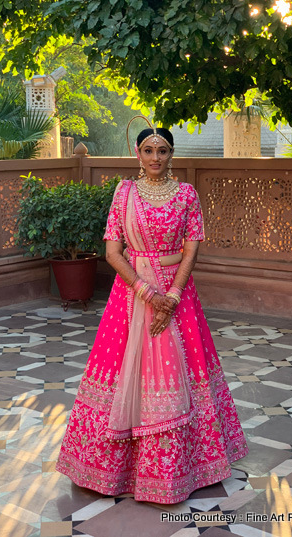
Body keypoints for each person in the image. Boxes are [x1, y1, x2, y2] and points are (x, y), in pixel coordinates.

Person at [56, 126, 248, 504]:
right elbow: (113, 252)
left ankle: (184, 468)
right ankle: (114, 471)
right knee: (122, 373)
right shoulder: (124, 193)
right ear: (137, 153)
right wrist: (148, 294)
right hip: (131, 296)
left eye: (162, 150)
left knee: (183, 372)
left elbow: (192, 248)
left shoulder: (187, 194)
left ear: (172, 153)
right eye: (148, 150)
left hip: (180, 295)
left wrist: (172, 296)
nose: (155, 158)